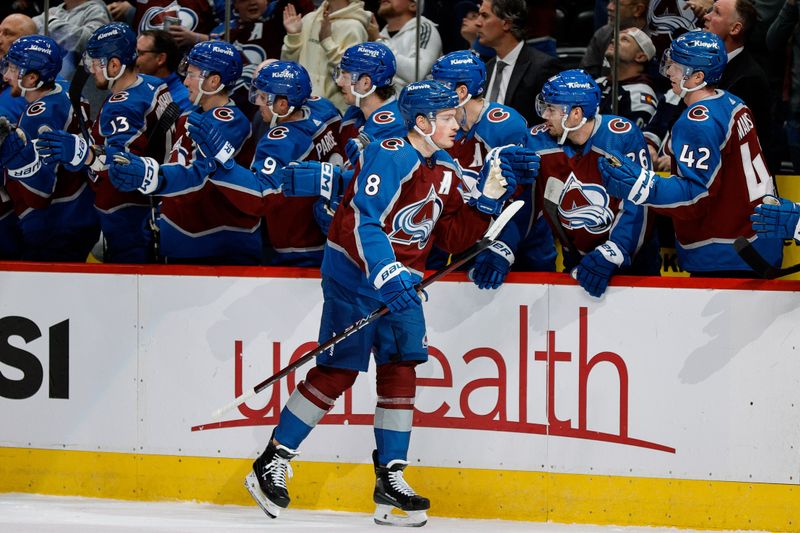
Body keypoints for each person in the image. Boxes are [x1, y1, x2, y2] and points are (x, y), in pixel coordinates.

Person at [237, 80, 521, 526]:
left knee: (401, 367)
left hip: (401, 282)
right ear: (423, 122)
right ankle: (272, 459)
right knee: (338, 369)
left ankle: (390, 480)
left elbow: (448, 237)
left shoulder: (444, 167)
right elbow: (363, 222)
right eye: (448, 118)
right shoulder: (389, 155)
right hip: (354, 275)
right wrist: (386, 273)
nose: (457, 124)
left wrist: (485, 204)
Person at [599, 31, 782, 276]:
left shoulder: (698, 122)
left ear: (697, 76)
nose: (669, 71)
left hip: (728, 251)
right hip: (755, 240)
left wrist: (642, 186)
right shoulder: (732, 102)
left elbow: (696, 196)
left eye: (676, 65)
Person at [471, 69, 658, 298]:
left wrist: (615, 251)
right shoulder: (536, 141)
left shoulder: (620, 136)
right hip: (577, 261)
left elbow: (638, 203)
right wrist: (504, 246)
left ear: (576, 114)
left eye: (551, 109)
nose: (544, 115)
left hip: (633, 262)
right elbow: (526, 202)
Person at [108, 41, 255, 265]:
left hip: (216, 246)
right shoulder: (190, 114)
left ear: (214, 81)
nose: (185, 81)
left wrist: (152, 176)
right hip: (184, 238)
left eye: (192, 74)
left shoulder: (229, 122)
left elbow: (199, 174)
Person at [37, 22, 174, 263]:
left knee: (130, 287)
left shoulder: (122, 106)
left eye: (96, 63)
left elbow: (123, 166)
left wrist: (83, 154)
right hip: (153, 204)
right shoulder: (151, 84)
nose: (91, 71)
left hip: (129, 211)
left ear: (114, 64)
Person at [429, 49, 555, 271]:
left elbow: (526, 198)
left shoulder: (504, 126)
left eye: (440, 85)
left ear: (461, 91)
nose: (432, 92)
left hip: (522, 246)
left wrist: (503, 248)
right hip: (468, 239)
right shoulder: (440, 129)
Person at [0, 35, 99, 261]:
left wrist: (14, 157)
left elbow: (40, 194)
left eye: (13, 69)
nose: (6, 76)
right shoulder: (62, 87)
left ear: (32, 78)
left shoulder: (40, 117)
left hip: (57, 224)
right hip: (79, 212)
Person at [476, 0, 561, 126]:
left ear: (506, 23)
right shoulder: (485, 68)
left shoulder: (543, 68)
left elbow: (549, 125)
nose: (477, 23)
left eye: (485, 16)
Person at [281, 0, 372, 111]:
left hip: (333, 114)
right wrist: (293, 36)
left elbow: (351, 79)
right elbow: (287, 68)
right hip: (299, 110)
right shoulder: (308, 19)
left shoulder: (354, 28)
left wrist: (327, 42)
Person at [596, 27, 659, 128]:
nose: (613, 40)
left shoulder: (640, 95)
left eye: (625, 39)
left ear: (640, 57)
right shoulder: (597, 83)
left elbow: (629, 140)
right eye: (614, 38)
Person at [375, 0, 443, 91]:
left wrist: (379, 42)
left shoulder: (424, 28)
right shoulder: (378, 35)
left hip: (415, 102)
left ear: (413, 5)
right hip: (383, 102)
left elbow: (416, 74)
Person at [580, 0, 650, 79]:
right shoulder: (603, 33)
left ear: (638, 9)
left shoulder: (653, 42)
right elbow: (585, 77)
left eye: (616, 4)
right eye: (609, 2)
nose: (609, 7)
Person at [135, 29, 191, 112]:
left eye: (140, 53)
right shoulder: (134, 86)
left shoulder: (183, 100)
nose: (134, 58)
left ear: (161, 58)